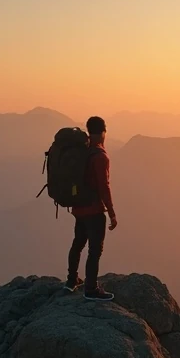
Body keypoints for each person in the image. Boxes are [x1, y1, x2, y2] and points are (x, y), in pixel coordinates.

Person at [66, 116, 118, 300]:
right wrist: (111, 213)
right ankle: (91, 289)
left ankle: (71, 281)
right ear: (104, 132)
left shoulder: (82, 152)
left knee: (78, 243)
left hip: (78, 208)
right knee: (95, 250)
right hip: (94, 210)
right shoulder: (100, 156)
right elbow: (104, 187)